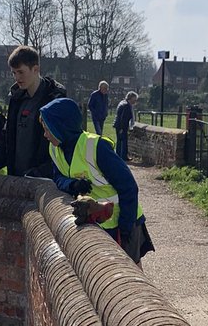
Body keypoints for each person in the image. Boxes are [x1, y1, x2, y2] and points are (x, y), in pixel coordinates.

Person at [39, 97, 154, 264]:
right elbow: (57, 177)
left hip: (123, 220)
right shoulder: (55, 149)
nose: (45, 135)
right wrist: (72, 184)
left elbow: (128, 186)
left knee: (131, 271)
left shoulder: (96, 147)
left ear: (60, 127)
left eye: (47, 129)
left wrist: (126, 227)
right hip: (95, 220)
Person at [0, 46, 65, 179]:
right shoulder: (16, 99)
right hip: (17, 178)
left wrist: (41, 172)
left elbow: (63, 145)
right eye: (13, 73)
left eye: (21, 72)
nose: (17, 77)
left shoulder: (55, 100)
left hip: (45, 182)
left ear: (35, 69)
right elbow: (7, 139)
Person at [114, 91, 138, 162]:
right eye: (134, 99)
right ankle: (123, 157)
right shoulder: (126, 106)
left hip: (118, 125)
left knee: (119, 141)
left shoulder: (123, 103)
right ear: (131, 98)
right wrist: (122, 128)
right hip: (122, 126)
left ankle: (118, 156)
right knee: (123, 141)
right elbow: (123, 118)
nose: (135, 101)